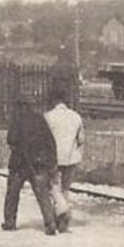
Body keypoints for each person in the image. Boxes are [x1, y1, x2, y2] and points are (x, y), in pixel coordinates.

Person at [1, 98, 59, 235]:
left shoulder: (17, 121)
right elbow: (50, 141)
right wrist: (51, 161)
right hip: (39, 163)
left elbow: (11, 140)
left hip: (19, 164)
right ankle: (50, 222)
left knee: (13, 193)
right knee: (43, 193)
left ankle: (10, 222)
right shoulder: (40, 120)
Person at [42, 84, 84, 233]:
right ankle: (62, 223)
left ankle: (63, 211)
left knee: (54, 188)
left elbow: (44, 139)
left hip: (54, 158)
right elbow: (81, 139)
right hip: (71, 158)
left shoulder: (48, 117)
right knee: (65, 189)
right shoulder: (76, 116)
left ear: (53, 100)